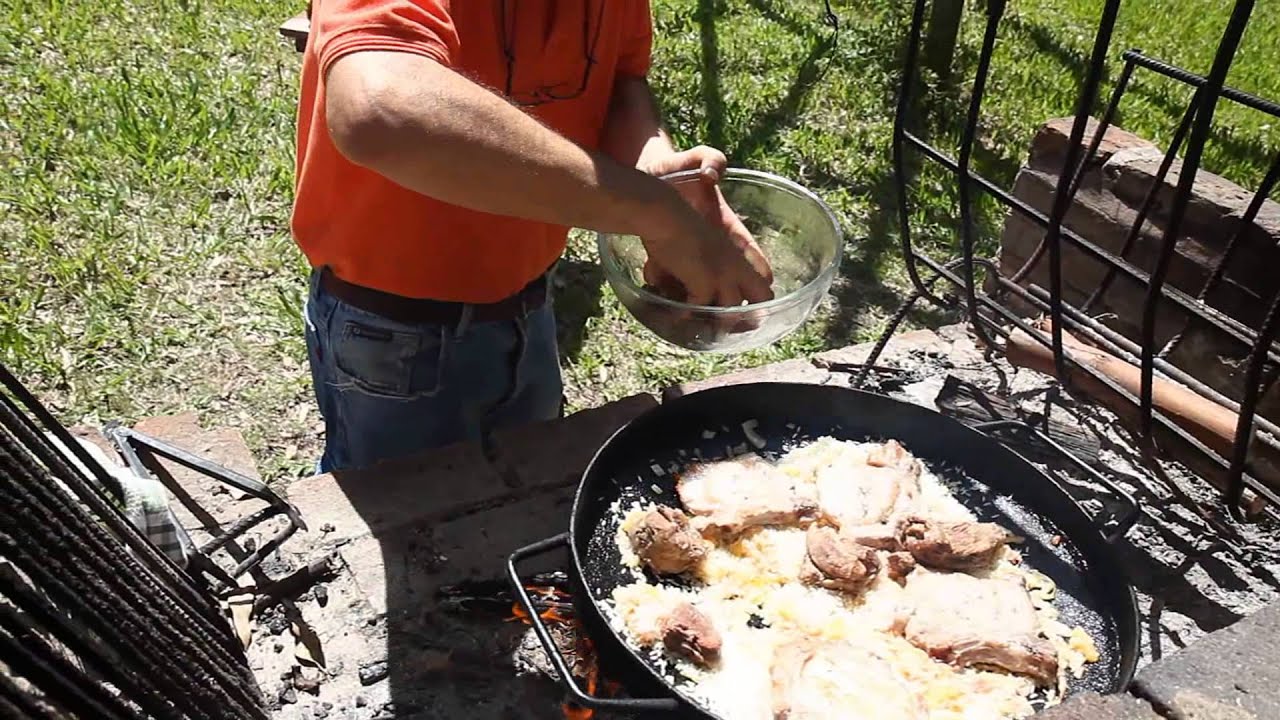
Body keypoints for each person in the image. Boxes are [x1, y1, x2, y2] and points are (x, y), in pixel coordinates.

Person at [292, 0, 773, 473]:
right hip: (391, 327)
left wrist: (653, 165)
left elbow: (619, 79)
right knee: (404, 515)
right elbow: (382, 111)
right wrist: (655, 212)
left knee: (527, 481)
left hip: (527, 297)